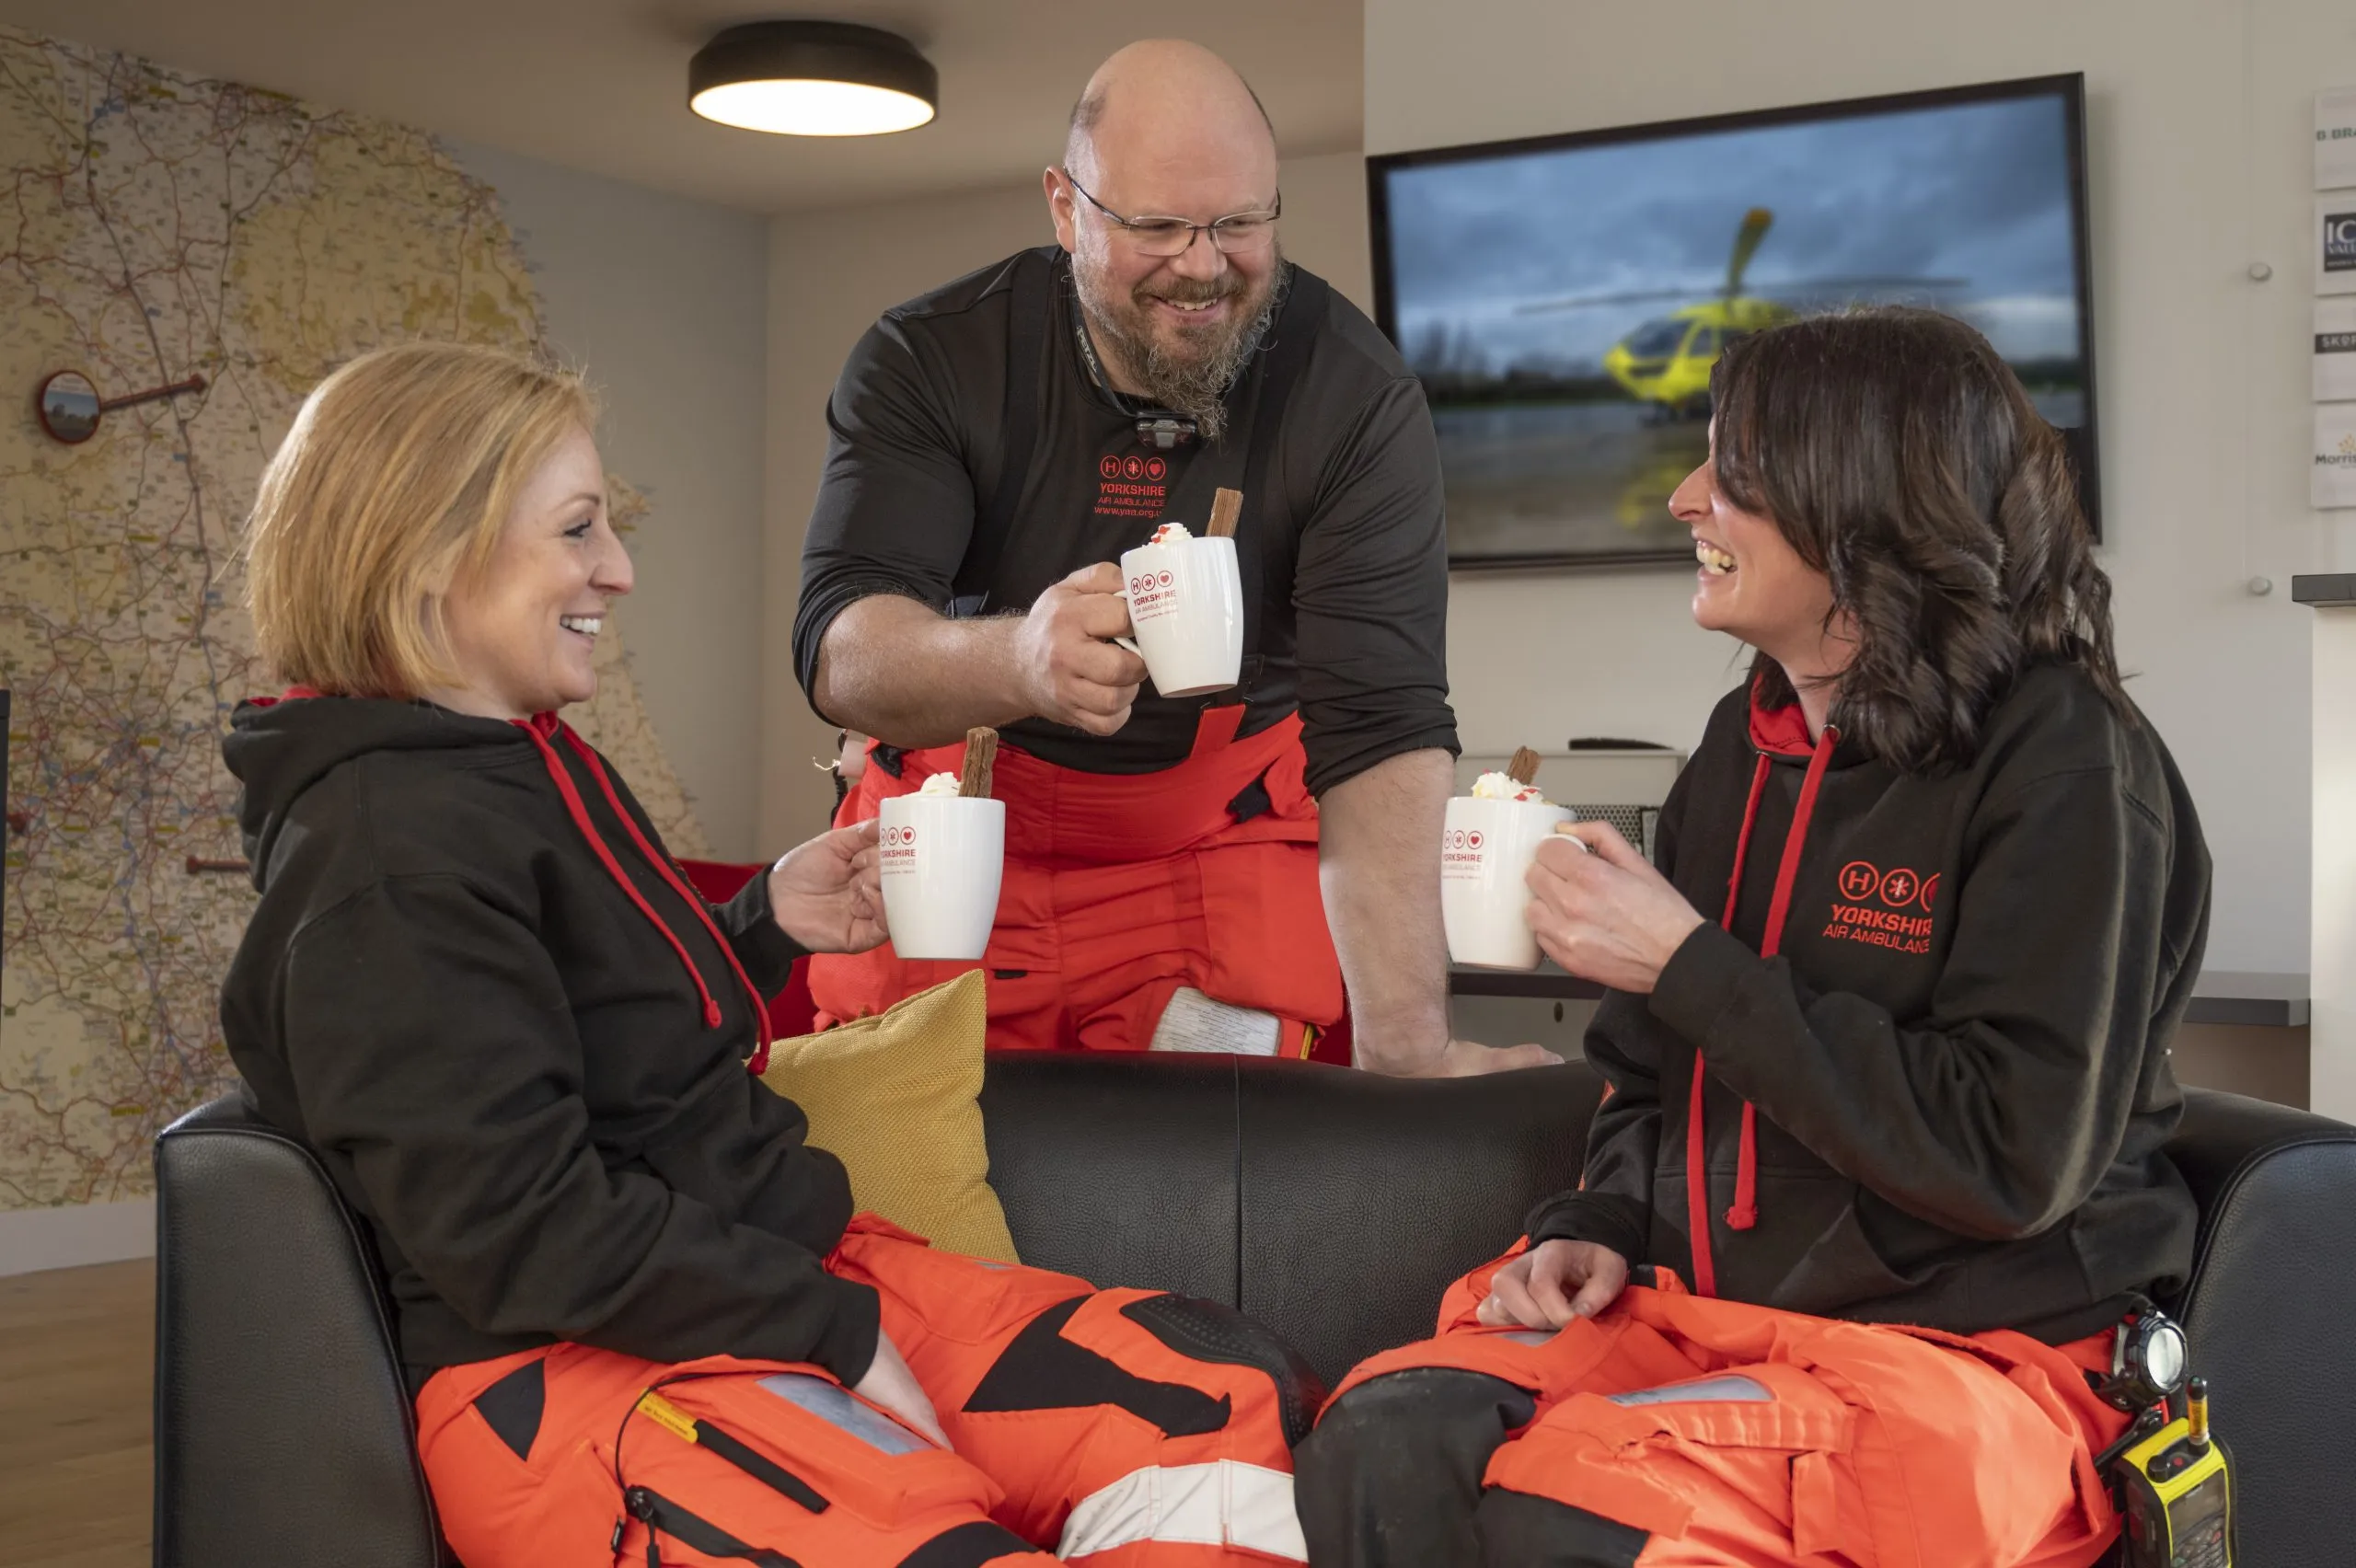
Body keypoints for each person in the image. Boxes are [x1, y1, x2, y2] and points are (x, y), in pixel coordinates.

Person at [219, 341, 1318, 1567]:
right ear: (431, 554)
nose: (618, 571)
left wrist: (759, 923)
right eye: (579, 531)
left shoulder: (517, 759)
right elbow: (514, 1232)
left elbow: (600, 1048)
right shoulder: (382, 854)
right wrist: (831, 1335)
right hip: (586, 1378)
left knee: (1221, 1402)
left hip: (763, 1268)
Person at [1293, 309, 2212, 1567]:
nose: (1683, 500)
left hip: (1970, 1364)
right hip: (1725, 1330)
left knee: (1563, 1512)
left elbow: (2010, 1157)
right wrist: (1598, 1224)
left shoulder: (2069, 761)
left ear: (1861, 506)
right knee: (1380, 1435)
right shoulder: (1746, 743)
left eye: (1732, 474)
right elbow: (1647, 1081)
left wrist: (1687, 963)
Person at [794, 39, 1549, 1076]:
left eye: (1240, 222)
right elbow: (843, 651)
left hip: (1210, 852)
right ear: (1066, 208)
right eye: (1155, 226)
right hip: (955, 832)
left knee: (1222, 1188)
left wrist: (1407, 1053)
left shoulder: (1351, 393)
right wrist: (1016, 663)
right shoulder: (933, 357)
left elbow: (1379, 728)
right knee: (908, 1173)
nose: (1202, 265)